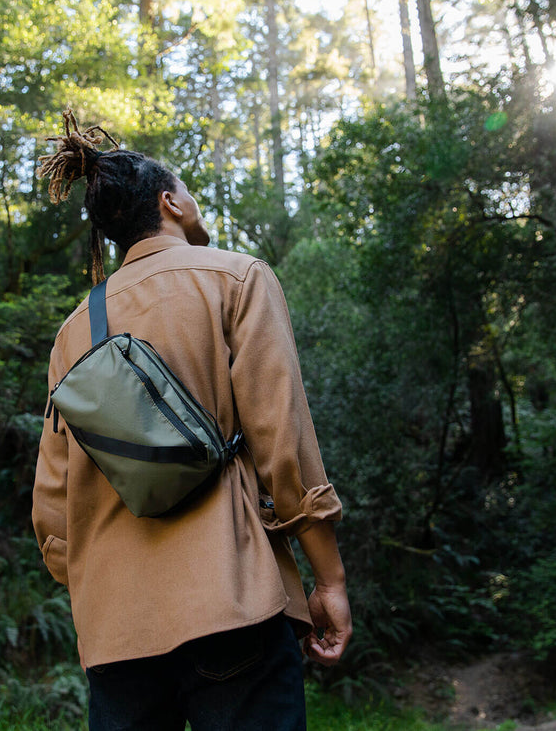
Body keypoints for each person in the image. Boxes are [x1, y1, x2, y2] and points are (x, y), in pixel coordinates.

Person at [32, 109, 351, 731]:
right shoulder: (236, 279)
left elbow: (51, 507)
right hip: (235, 605)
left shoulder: (74, 333)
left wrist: (104, 588)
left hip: (115, 636)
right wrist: (329, 580)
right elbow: (280, 445)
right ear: (170, 201)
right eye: (190, 190)